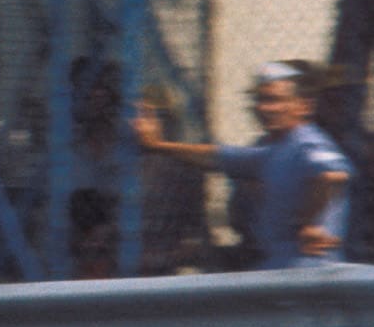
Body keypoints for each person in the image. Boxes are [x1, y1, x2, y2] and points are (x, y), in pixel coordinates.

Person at [132, 60, 352, 271]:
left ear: (304, 106)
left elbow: (332, 175)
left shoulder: (307, 141)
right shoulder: (273, 151)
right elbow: (215, 157)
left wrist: (310, 223)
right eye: (261, 100)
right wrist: (157, 144)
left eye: (275, 100)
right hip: (281, 267)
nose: (265, 108)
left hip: (308, 269)